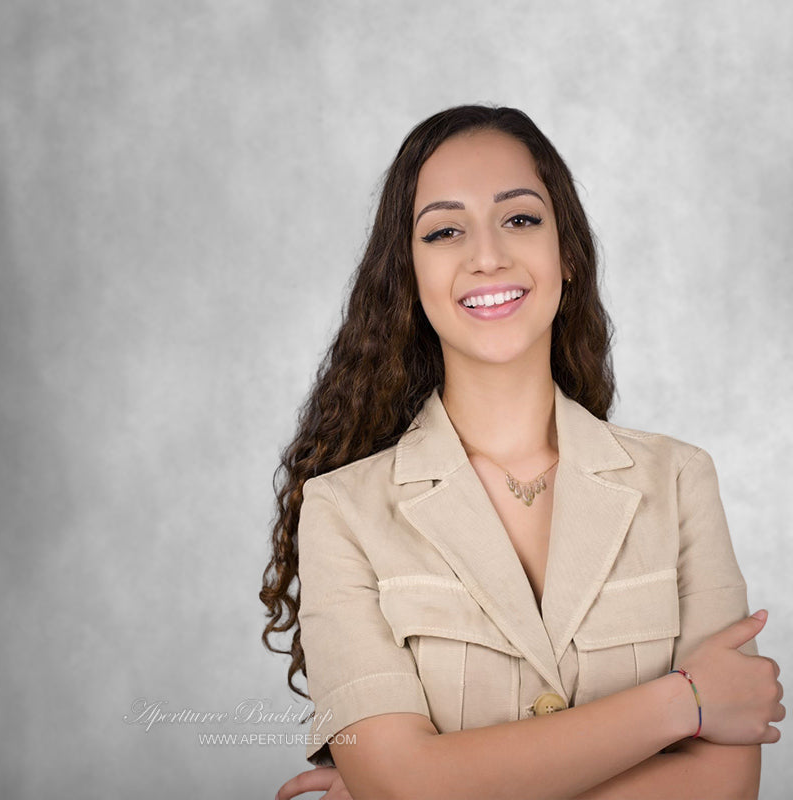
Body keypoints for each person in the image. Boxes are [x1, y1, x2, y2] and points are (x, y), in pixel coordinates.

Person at [261, 105, 784, 800]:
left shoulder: (681, 481)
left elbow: (725, 786)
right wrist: (684, 701)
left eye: (519, 218)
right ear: (408, 276)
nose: (487, 256)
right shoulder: (341, 511)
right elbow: (401, 784)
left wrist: (433, 784)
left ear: (567, 254)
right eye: (445, 231)